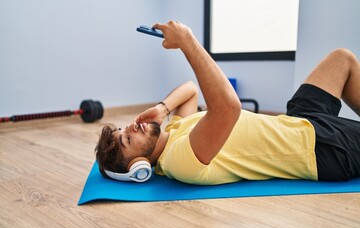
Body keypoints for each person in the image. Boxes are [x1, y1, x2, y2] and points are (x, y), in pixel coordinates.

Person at [95, 20, 360, 185]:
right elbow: (228, 108)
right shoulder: (179, 161)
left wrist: (162, 109)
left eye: (124, 129)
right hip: (319, 149)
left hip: (296, 121)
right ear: (137, 166)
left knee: (342, 59)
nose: (131, 129)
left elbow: (189, 90)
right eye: (127, 141)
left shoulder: (175, 131)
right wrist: (187, 42)